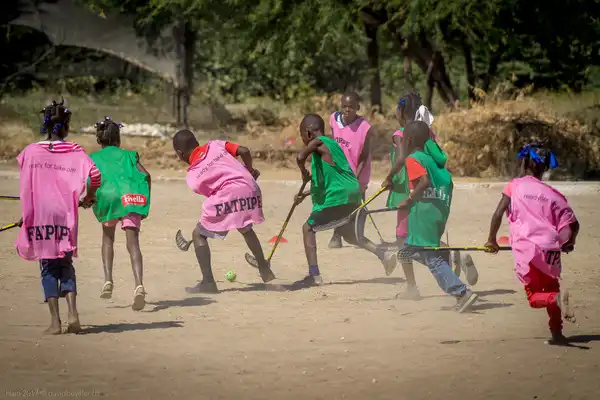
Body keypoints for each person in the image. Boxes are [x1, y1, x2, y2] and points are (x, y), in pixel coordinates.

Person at [14, 99, 101, 334]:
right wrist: (88, 197)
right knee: (65, 262)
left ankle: (55, 323)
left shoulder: (30, 152)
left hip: (40, 214)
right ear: (66, 125)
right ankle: (73, 313)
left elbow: (28, 184)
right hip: (65, 214)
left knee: (47, 266)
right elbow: (95, 174)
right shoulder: (75, 151)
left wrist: (28, 214)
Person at [383, 92, 478, 300]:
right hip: (431, 199)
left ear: (401, 112)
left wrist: (389, 177)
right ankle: (453, 257)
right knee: (424, 242)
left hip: (411, 196)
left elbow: (402, 159)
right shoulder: (427, 133)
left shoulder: (403, 135)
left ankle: (412, 287)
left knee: (406, 242)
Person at [485, 142, 578, 344]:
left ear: (524, 161)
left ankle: (556, 300)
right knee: (552, 287)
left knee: (535, 297)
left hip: (528, 251)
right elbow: (572, 223)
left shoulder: (514, 186)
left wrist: (491, 239)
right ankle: (557, 334)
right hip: (551, 250)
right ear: (544, 167)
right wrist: (569, 243)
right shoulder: (553, 194)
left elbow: (498, 214)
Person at [293, 114, 397, 286]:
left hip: (339, 196)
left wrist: (303, 172)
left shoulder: (319, 142)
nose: (302, 139)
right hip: (352, 194)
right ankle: (383, 255)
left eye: (302, 135)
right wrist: (304, 194)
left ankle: (314, 275)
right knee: (350, 235)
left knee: (308, 228)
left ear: (309, 133)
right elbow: (333, 181)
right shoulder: (333, 145)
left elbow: (299, 157)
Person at [172, 129, 276, 293]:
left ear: (179, 153)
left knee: (198, 234)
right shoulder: (215, 145)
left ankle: (208, 283)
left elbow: (214, 192)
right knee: (245, 226)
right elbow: (244, 151)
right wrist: (249, 170)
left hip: (229, 195)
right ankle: (265, 269)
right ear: (197, 143)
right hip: (251, 188)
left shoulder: (192, 176)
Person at [89, 117, 151, 311]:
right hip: (130, 198)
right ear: (118, 139)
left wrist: (89, 198)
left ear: (99, 140)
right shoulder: (130, 155)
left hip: (107, 199)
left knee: (108, 239)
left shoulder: (93, 158)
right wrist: (145, 203)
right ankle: (139, 285)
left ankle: (108, 280)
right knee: (133, 244)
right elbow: (146, 175)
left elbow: (91, 180)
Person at [328, 92, 372, 249]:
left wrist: (355, 177)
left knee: (358, 204)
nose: (347, 110)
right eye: (344, 106)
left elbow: (364, 156)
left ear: (357, 108)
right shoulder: (334, 119)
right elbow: (333, 143)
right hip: (340, 171)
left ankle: (358, 235)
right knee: (339, 203)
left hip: (358, 171)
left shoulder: (365, 128)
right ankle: (336, 234)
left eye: (351, 107)